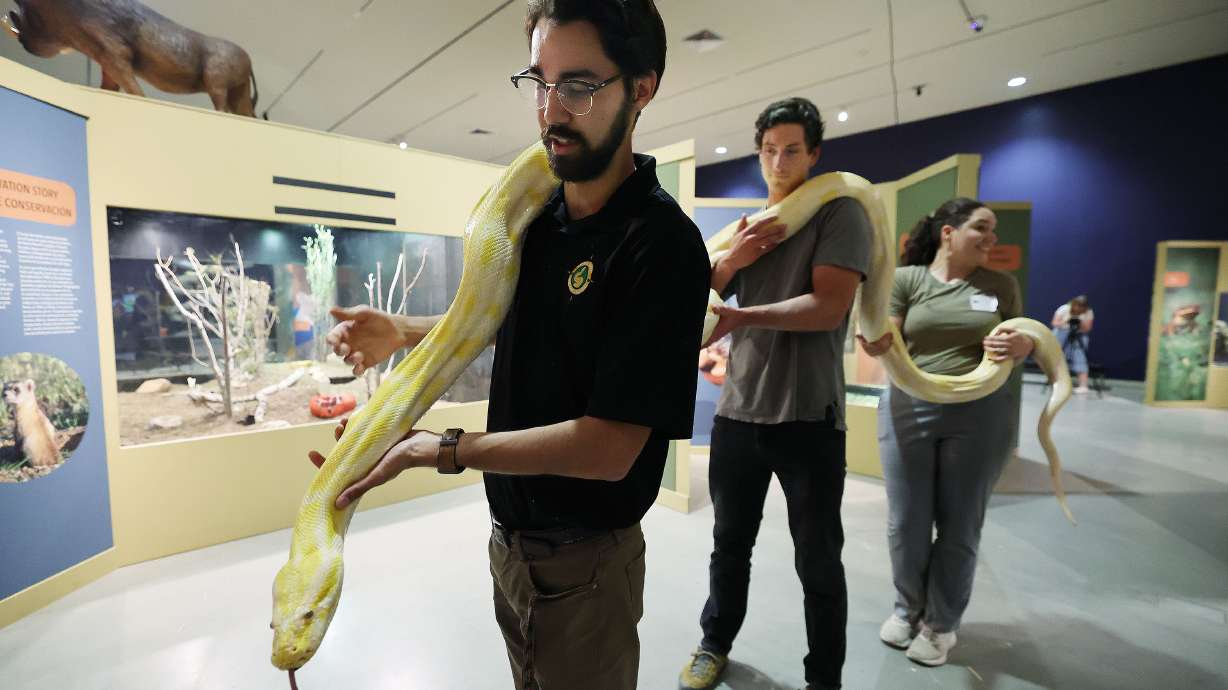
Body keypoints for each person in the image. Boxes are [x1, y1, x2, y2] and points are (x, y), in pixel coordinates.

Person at [309, 1, 711, 688]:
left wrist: (442, 450)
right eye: (540, 82)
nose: (551, 111)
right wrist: (404, 331)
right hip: (511, 542)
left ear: (641, 88)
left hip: (586, 564)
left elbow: (609, 449)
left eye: (579, 86)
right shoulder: (535, 221)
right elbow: (514, 319)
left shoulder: (662, 245)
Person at [678, 97, 872, 690]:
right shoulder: (746, 229)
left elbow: (829, 307)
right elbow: (696, 293)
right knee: (728, 544)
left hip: (810, 418)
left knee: (817, 559)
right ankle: (715, 644)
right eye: (768, 150)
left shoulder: (840, 215)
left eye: (792, 150)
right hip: (739, 414)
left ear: (814, 154)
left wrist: (744, 318)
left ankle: (824, 679)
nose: (778, 161)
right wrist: (733, 258)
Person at [858, 198, 1031, 667]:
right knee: (906, 522)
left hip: (979, 416)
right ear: (948, 233)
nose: (992, 239)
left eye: (994, 231)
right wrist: (873, 337)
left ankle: (940, 625)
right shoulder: (906, 280)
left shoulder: (1000, 286)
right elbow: (887, 336)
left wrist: (1021, 343)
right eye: (982, 228)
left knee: (959, 524)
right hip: (908, 409)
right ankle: (907, 609)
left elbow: (1023, 335)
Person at [1051, 295, 1094, 393]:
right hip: (1061, 334)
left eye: (1081, 307)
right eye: (1077, 306)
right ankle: (1057, 382)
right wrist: (1066, 321)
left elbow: (1087, 328)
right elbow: (1055, 323)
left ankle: (1083, 386)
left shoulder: (1088, 312)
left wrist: (1081, 323)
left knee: (1080, 356)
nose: (1078, 308)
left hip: (1078, 335)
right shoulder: (1064, 309)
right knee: (1058, 357)